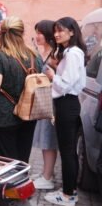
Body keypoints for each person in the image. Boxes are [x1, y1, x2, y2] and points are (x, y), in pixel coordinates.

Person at [0, 16, 42, 162]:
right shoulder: (34, 55)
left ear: (2, 34)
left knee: (3, 162)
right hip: (27, 114)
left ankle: (8, 185)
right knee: (21, 159)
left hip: (3, 116)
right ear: (22, 33)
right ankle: (21, 183)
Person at [43, 17, 86, 206]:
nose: (57, 34)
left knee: (68, 152)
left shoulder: (73, 53)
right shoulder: (68, 52)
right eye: (55, 31)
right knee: (67, 151)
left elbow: (66, 85)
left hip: (67, 104)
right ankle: (69, 191)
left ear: (72, 31)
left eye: (61, 30)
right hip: (66, 104)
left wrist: (52, 76)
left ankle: (69, 195)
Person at [31, 20, 59, 190]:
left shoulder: (55, 54)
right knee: (44, 137)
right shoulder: (44, 52)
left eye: (40, 32)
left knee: (48, 138)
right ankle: (46, 172)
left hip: (50, 100)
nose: (37, 36)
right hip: (43, 99)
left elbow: (57, 76)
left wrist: (51, 74)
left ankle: (47, 177)